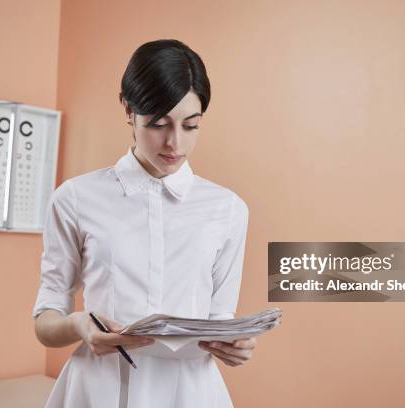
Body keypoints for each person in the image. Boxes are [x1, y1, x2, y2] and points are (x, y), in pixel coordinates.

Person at [32, 39, 256, 408]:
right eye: (159, 123)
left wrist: (235, 345)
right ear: (128, 110)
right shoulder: (75, 198)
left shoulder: (228, 209)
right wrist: (79, 325)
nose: (175, 143)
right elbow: (46, 320)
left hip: (190, 394)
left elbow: (219, 320)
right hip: (97, 389)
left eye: (191, 125)